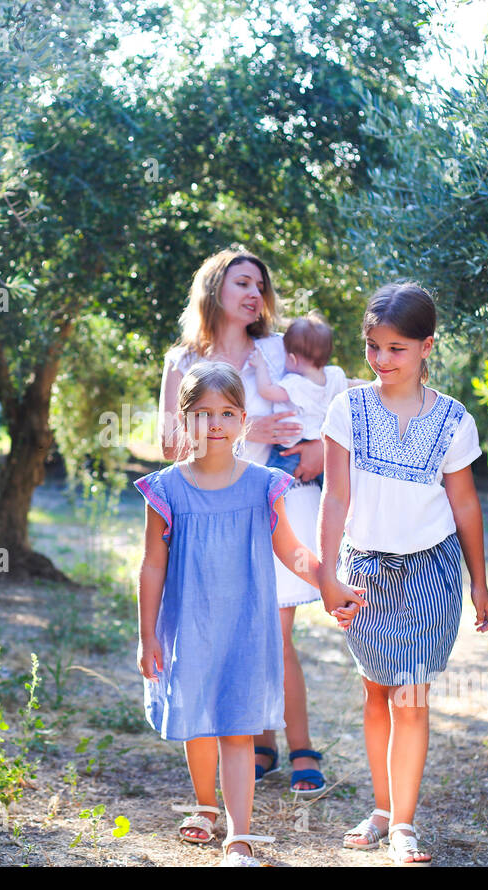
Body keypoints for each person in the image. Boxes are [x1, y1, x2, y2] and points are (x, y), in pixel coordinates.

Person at [137, 362, 363, 866]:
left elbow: (293, 552)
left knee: (237, 728)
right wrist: (146, 635)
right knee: (197, 724)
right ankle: (203, 806)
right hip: (188, 628)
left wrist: (330, 582)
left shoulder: (264, 485)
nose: (213, 424)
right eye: (200, 414)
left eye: (225, 413)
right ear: (183, 419)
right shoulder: (166, 490)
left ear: (242, 420)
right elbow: (152, 566)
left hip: (246, 628)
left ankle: (239, 837)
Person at [317, 282, 488, 866]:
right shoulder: (347, 409)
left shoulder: (453, 420)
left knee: (411, 699)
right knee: (376, 693)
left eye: (396, 348)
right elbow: (334, 497)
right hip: (364, 570)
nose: (381, 360)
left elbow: (465, 504)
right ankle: (380, 806)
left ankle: (403, 824)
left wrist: (480, 581)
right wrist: (326, 576)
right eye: (372, 347)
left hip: (431, 573)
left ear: (426, 347)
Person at [157, 247, 334, 796]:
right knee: (231, 636)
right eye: (241, 282)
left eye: (260, 284)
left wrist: (317, 457)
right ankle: (257, 743)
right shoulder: (182, 362)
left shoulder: (281, 351)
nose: (254, 293)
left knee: (274, 637)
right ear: (214, 290)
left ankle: (300, 743)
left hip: (277, 508)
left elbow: (331, 414)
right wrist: (244, 430)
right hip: (211, 516)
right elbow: (167, 442)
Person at [248, 313, 348, 490]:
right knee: (333, 488)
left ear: (292, 359)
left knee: (271, 488)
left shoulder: (296, 384)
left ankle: (269, 514)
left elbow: (267, 391)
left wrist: (260, 366)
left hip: (293, 447)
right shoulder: (335, 375)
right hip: (323, 448)